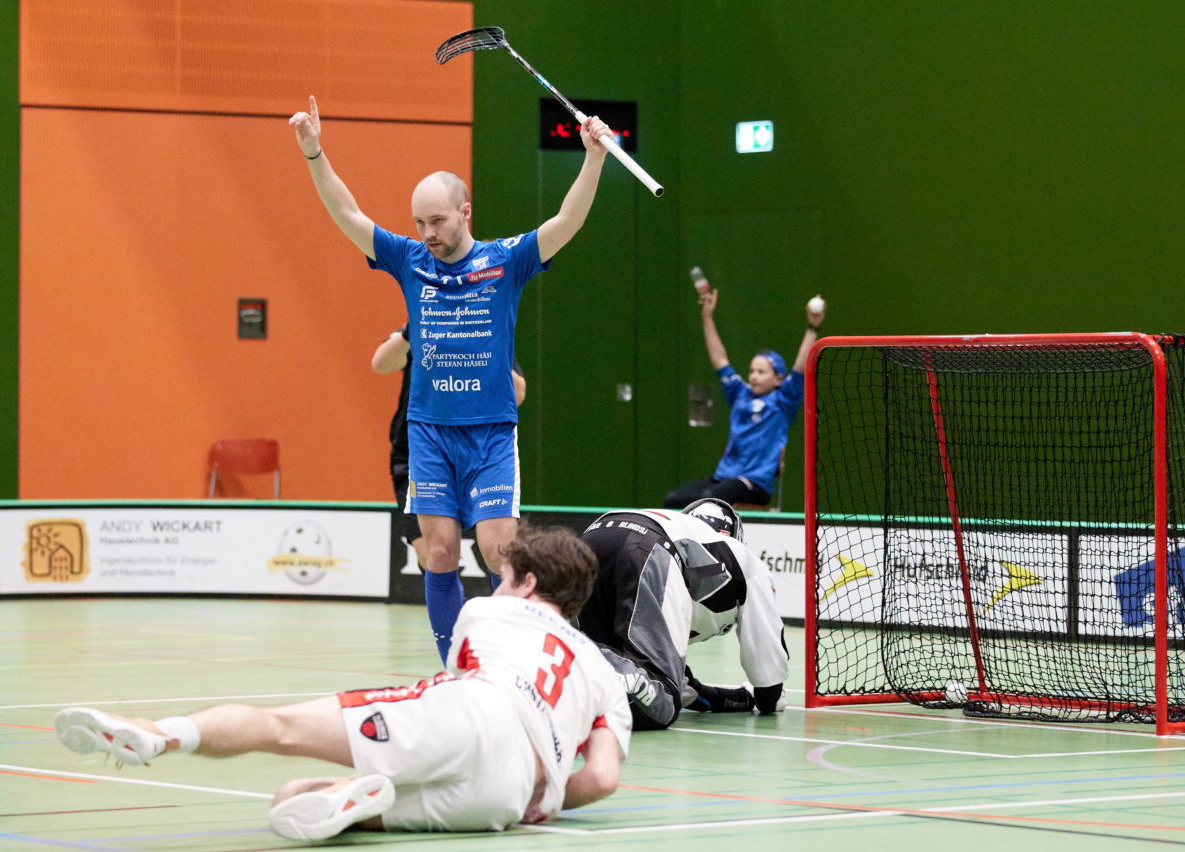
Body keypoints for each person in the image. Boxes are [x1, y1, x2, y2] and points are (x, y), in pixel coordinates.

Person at [290, 96, 613, 663]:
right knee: (438, 553)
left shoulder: (507, 259)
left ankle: (505, 662)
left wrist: (593, 158)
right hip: (429, 433)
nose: (427, 232)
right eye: (419, 222)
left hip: (489, 433)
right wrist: (315, 152)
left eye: (436, 220)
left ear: (466, 212)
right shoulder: (409, 258)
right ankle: (457, 669)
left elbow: (568, 222)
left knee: (499, 553)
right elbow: (348, 214)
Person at [53, 526, 631, 841]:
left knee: (278, 728)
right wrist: (549, 793)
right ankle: (352, 797)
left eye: (503, 578)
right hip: (507, 797)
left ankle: (158, 734)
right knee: (292, 801)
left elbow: (465, 696)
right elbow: (602, 777)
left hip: (477, 711)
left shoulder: (487, 613)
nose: (497, 586)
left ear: (528, 584)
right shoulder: (603, 672)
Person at [575, 499, 789, 730]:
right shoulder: (747, 561)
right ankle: (611, 678)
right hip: (652, 546)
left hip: (595, 532)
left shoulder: (679, 528)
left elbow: (683, 686)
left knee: (592, 650)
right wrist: (769, 696)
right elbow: (768, 661)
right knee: (661, 706)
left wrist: (740, 698)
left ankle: (567, 675)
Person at [372, 323, 526, 575]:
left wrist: (484, 349)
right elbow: (380, 364)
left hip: (479, 453)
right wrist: (411, 332)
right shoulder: (421, 328)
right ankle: (450, 612)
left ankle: (500, 611)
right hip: (417, 456)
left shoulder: (486, 332)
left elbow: (518, 393)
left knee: (499, 550)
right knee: (436, 554)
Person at [663, 286, 827, 509]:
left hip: (754, 484)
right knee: (673, 500)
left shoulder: (783, 401)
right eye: (752, 371)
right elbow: (719, 358)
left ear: (778, 378)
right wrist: (707, 317)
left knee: (711, 500)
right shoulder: (739, 394)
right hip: (723, 479)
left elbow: (800, 366)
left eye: (761, 372)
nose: (754, 377)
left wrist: (812, 327)